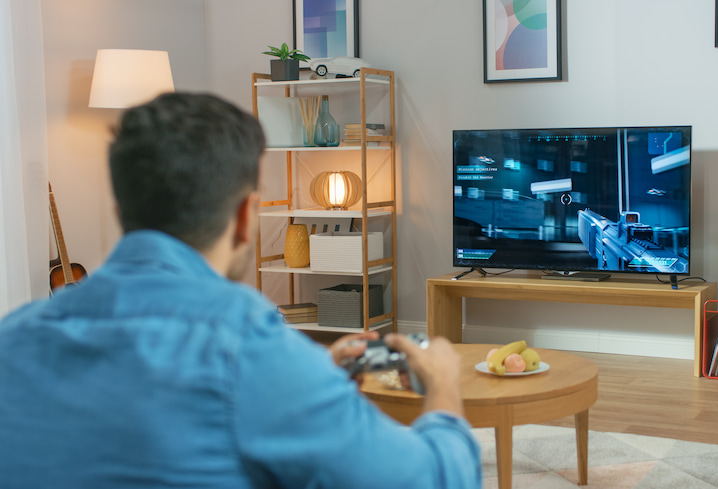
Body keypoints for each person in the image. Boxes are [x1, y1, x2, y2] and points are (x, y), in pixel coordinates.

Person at [0, 93, 481, 488]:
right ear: (248, 216)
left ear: (123, 204)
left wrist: (309, 377)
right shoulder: (244, 343)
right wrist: (441, 383)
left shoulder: (14, 337)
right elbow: (435, 479)